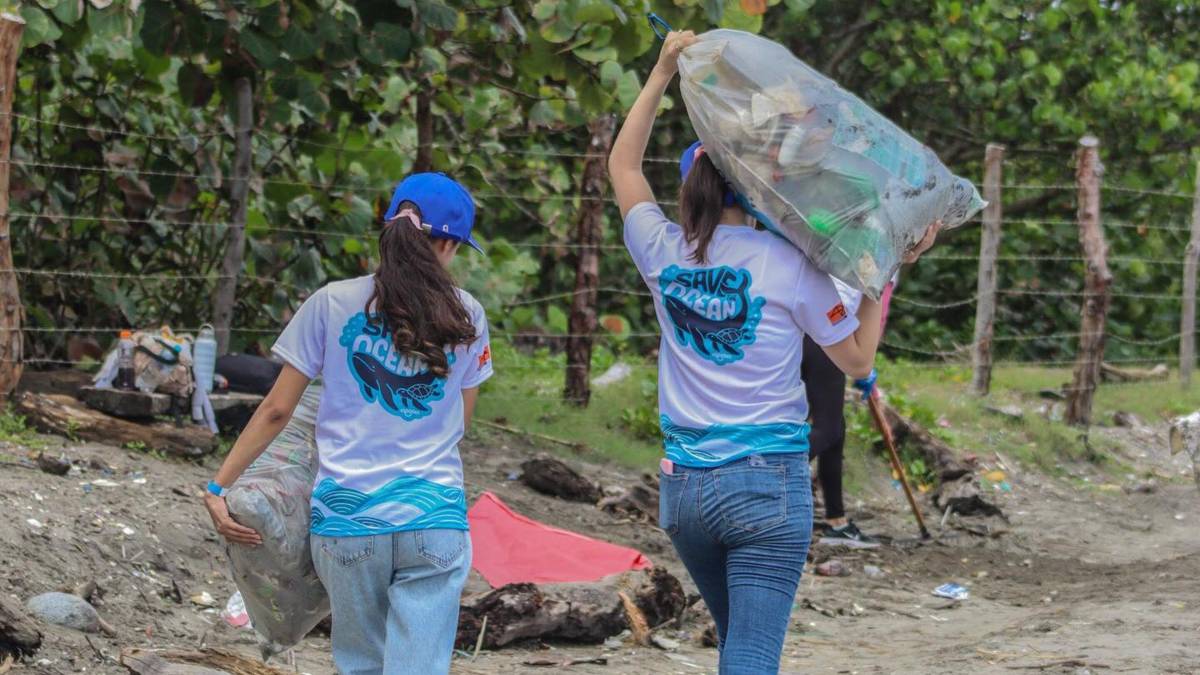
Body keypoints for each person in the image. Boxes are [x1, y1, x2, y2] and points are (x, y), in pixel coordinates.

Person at [608, 31, 940, 673]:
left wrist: (662, 71)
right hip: (766, 486)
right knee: (753, 656)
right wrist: (886, 269)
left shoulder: (661, 250)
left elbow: (623, 167)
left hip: (684, 492)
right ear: (757, 191)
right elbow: (857, 361)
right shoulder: (790, 264)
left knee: (738, 645)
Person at [202, 173, 493, 674]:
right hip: (434, 520)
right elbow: (460, 423)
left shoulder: (331, 302)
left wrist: (218, 486)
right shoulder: (467, 315)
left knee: (361, 666)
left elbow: (276, 410)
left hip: (347, 523)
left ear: (390, 228)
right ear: (448, 244)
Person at [804, 275, 896, 548]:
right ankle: (761, 479)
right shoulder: (885, 264)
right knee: (829, 430)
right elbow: (875, 317)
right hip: (830, 331)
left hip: (807, 325)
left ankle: (837, 521)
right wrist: (866, 371)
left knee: (835, 429)